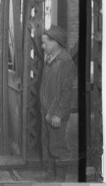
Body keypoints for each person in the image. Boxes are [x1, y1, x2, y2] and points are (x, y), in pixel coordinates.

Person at [39, 25, 76, 182]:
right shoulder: (50, 59)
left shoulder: (65, 62)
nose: (42, 46)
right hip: (47, 110)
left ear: (55, 43)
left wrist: (58, 114)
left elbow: (67, 93)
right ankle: (51, 173)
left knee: (59, 146)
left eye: (45, 42)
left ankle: (60, 178)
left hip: (56, 114)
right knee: (48, 142)